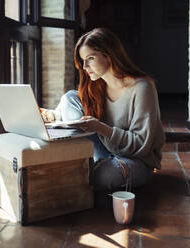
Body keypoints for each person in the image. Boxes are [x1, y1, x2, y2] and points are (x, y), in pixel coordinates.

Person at [41, 28, 165, 192]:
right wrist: (52, 115)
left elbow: (141, 144)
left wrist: (100, 127)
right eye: (83, 60)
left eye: (90, 58)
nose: (85, 66)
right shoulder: (96, 85)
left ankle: (91, 168)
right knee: (71, 97)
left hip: (136, 160)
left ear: (109, 55)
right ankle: (86, 165)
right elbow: (74, 110)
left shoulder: (142, 88)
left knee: (106, 175)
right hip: (104, 150)